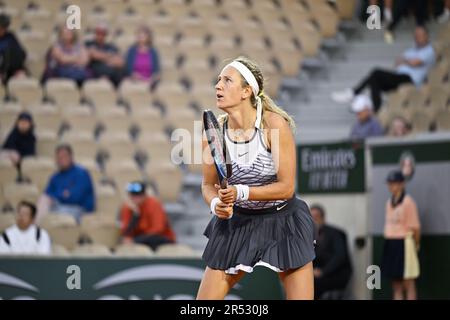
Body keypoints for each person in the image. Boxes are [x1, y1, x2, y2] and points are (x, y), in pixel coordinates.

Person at [197, 57, 316, 300]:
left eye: (227, 80)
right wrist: (214, 204)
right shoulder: (214, 135)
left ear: (246, 91)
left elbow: (286, 187)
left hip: (284, 220)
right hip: (237, 223)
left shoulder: (275, 125)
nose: (218, 86)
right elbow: (208, 184)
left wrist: (240, 192)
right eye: (218, 80)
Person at [332, 26, 435, 112]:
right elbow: (397, 62)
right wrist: (406, 62)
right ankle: (376, 109)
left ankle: (353, 93)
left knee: (376, 72)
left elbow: (414, 63)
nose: (417, 38)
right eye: (416, 36)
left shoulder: (429, 50)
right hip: (398, 77)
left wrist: (406, 61)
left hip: (410, 80)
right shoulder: (412, 49)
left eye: (420, 35)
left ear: (426, 36)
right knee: (374, 80)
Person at [381, 170, 421, 300]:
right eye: (390, 183)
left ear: (402, 184)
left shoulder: (408, 202)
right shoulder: (388, 202)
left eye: (395, 183)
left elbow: (415, 228)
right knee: (396, 284)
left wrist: (415, 244)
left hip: (405, 244)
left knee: (408, 283)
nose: (391, 186)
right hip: (391, 243)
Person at [36, 144, 95, 223]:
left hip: (80, 211)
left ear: (71, 157)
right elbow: (47, 195)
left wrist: (57, 197)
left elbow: (76, 198)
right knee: (43, 201)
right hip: (60, 208)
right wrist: (63, 194)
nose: (62, 159)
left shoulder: (81, 173)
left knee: (47, 212)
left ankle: (34, 230)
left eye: (64, 156)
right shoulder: (55, 177)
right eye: (59, 157)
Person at [310, 204, 352, 300]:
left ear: (323, 218)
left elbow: (339, 257)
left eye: (316, 217)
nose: (314, 220)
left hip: (336, 274)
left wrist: (323, 271)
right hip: (317, 273)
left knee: (313, 284)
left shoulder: (335, 233)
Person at [119, 181, 176, 251]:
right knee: (123, 242)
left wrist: (135, 240)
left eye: (139, 195)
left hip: (159, 239)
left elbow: (158, 229)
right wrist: (135, 216)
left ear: (144, 195)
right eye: (133, 195)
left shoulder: (154, 204)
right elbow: (126, 232)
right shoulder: (127, 208)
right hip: (138, 239)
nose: (135, 198)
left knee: (153, 239)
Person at [1, 111, 36, 180]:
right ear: (17, 123)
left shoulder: (31, 137)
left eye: (26, 122)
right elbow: (6, 148)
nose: (23, 124)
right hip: (9, 165)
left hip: (24, 166)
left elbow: (30, 154)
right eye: (21, 122)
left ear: (30, 124)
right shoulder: (13, 134)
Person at [125, 25, 160, 90]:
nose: (140, 37)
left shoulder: (153, 52)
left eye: (143, 35)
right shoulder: (131, 51)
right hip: (134, 81)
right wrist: (134, 76)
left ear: (148, 37)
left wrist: (152, 79)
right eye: (139, 35)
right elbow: (128, 68)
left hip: (149, 82)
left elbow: (157, 71)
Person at [0, 13, 26, 85]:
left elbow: (21, 53)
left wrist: (18, 69)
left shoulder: (10, 36)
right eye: (1, 27)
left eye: (4, 28)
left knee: (21, 78)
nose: (2, 30)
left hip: (12, 69)